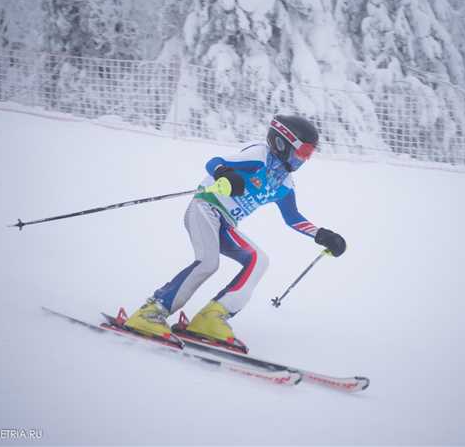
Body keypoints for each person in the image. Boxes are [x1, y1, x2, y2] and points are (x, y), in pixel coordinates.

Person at [124, 114, 347, 349]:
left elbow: (293, 218)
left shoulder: (284, 183)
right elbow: (215, 162)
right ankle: (151, 312)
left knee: (258, 260)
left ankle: (211, 319)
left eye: (309, 154)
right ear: (283, 143)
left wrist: (323, 235)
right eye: (303, 151)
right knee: (208, 262)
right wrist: (225, 174)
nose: (305, 159)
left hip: (226, 224)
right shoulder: (259, 155)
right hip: (205, 207)